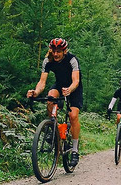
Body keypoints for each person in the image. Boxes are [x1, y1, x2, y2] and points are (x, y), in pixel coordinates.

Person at [27, 38, 83, 167]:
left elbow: (76, 80)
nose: (56, 54)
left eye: (59, 51)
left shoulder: (72, 59)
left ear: (64, 51)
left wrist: (69, 89)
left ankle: (74, 150)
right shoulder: (48, 60)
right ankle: (53, 127)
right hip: (59, 85)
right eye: (54, 51)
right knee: (50, 97)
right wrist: (35, 92)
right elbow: (42, 82)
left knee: (73, 116)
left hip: (74, 88)